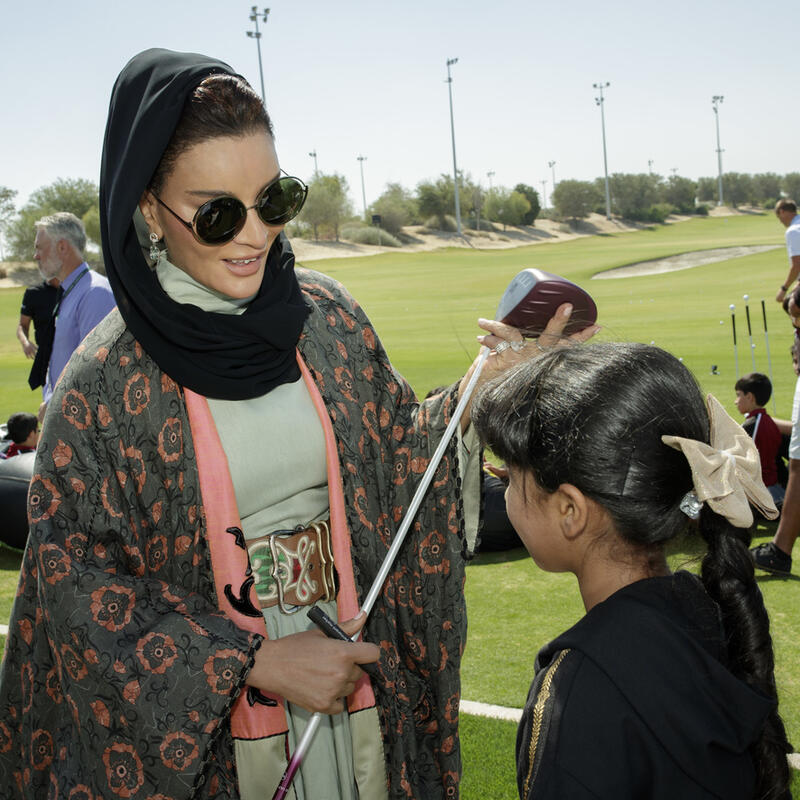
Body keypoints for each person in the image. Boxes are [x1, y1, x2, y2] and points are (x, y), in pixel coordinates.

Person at [0, 49, 594, 800]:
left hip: (351, 674)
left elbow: (396, 460)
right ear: (148, 209)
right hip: (222, 724)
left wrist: (481, 393)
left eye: (273, 200)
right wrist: (248, 663)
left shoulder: (330, 317)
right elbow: (73, 587)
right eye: (217, 213)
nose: (254, 236)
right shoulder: (101, 385)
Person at [472, 342, 792, 800]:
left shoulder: (580, 687)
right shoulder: (709, 609)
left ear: (570, 510)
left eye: (511, 473)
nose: (502, 485)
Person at [29, 212, 116, 417]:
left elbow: (97, 371)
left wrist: (55, 408)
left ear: (62, 247)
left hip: (80, 425)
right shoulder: (71, 291)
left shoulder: (95, 293)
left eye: (39, 248)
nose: (36, 256)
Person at [734, 372, 785, 508]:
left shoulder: (752, 425)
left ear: (750, 397)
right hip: (774, 487)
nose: (736, 401)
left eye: (739, 395)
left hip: (762, 490)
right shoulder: (770, 422)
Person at [16, 277, 58, 364]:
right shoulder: (33, 293)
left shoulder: (73, 290)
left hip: (71, 356)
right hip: (45, 358)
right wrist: (25, 343)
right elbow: (23, 325)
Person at [774, 198, 800, 304]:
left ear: (782, 212)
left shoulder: (793, 231)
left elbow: (797, 265)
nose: (780, 221)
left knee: (791, 306)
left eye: (778, 216)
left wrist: (783, 289)